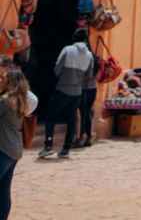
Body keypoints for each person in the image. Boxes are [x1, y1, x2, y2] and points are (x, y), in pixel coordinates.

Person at [39, 29, 93, 159]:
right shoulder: (89, 55)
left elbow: (57, 69)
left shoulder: (67, 50)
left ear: (74, 38)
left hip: (62, 89)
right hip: (77, 92)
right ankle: (66, 149)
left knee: (50, 117)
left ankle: (48, 146)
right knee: (71, 120)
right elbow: (89, 76)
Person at [0, 64, 37, 220]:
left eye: (4, 78)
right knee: (4, 190)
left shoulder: (5, 101)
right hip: (14, 150)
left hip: (3, 149)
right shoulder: (22, 100)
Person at [74, 34, 100, 149]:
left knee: (83, 113)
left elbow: (86, 74)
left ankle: (82, 137)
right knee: (88, 112)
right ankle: (88, 137)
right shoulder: (93, 56)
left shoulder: (82, 56)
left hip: (83, 88)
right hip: (92, 88)